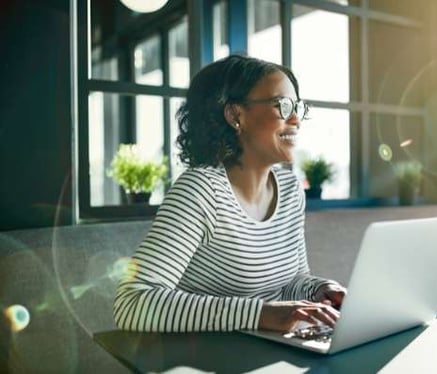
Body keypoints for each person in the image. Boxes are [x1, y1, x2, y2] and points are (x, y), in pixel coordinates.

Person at [113, 55, 347, 333]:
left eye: (298, 107)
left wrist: (319, 291)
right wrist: (260, 314)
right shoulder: (199, 191)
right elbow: (132, 302)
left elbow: (290, 282)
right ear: (236, 115)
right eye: (282, 106)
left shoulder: (290, 189)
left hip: (269, 352)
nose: (296, 119)